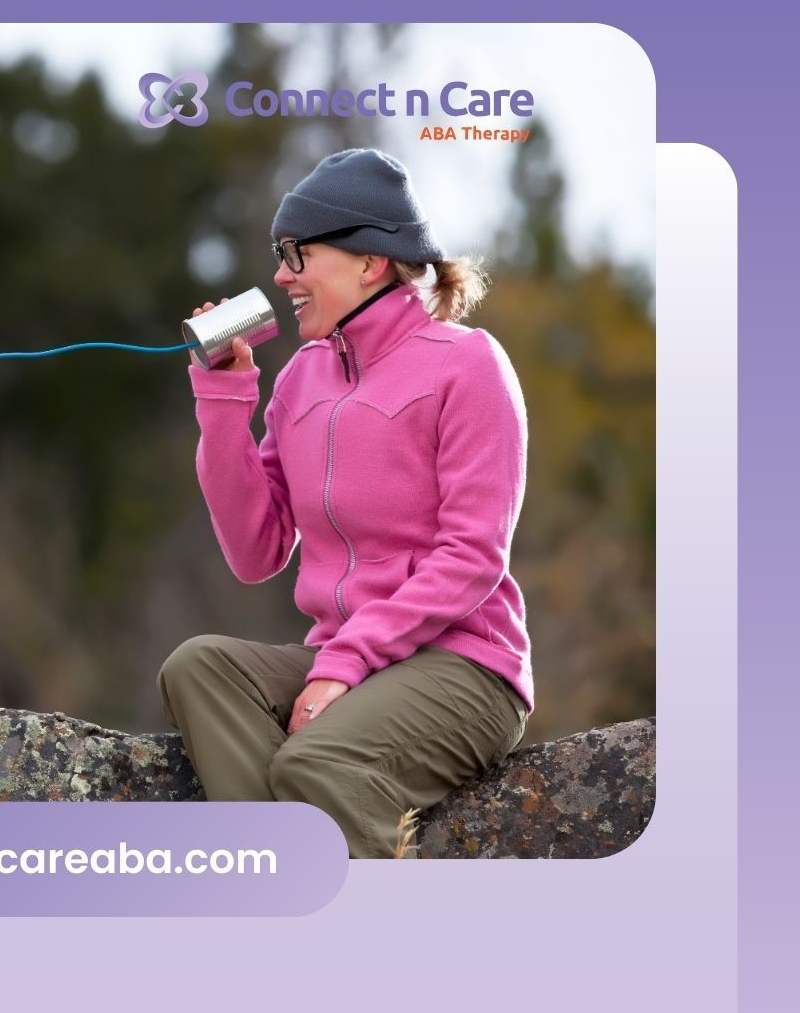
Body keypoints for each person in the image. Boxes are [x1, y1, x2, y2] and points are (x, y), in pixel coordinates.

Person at [159, 148, 531, 858]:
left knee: (318, 761)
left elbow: (474, 556)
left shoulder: (468, 364)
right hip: (350, 661)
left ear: (371, 262)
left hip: (464, 667)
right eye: (278, 254)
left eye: (297, 253)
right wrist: (225, 398)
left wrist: (343, 665)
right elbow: (255, 551)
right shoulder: (301, 379)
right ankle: (278, 881)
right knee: (200, 666)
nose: (279, 275)